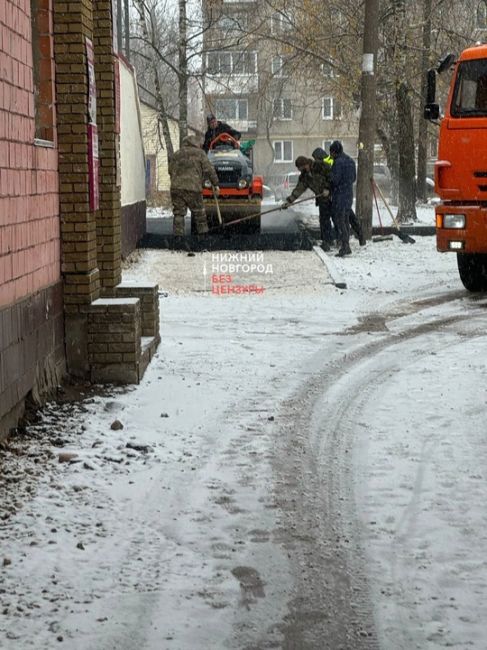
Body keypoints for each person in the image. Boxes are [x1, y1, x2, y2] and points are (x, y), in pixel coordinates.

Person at [168, 135, 220, 249]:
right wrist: (215, 183)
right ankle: (203, 238)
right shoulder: (200, 153)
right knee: (199, 213)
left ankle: (178, 239)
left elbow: (170, 170)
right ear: (195, 143)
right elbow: (209, 169)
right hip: (193, 188)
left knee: (179, 213)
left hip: (177, 188)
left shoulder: (176, 154)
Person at [312, 147, 365, 247]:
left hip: (336, 195)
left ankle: (343, 241)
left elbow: (333, 179)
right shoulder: (334, 161)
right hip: (336, 195)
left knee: (341, 218)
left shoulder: (332, 162)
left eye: (316, 158)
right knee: (344, 217)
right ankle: (352, 236)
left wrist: (329, 188)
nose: (315, 160)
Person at [281, 156, 332, 250]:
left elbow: (331, 176)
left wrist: (327, 188)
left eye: (301, 168)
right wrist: (289, 201)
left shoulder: (320, 165)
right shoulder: (304, 176)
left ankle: (341, 240)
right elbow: (299, 189)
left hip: (333, 195)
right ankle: (327, 242)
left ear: (305, 164)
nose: (301, 171)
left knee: (338, 218)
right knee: (324, 220)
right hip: (322, 198)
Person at [329, 140, 356, 257]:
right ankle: (347, 246)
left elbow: (335, 180)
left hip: (339, 196)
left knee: (341, 222)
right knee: (345, 220)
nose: (330, 155)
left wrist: (329, 179)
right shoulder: (350, 161)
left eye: (331, 153)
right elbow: (354, 178)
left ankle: (345, 247)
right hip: (349, 194)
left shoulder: (338, 162)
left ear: (335, 152)